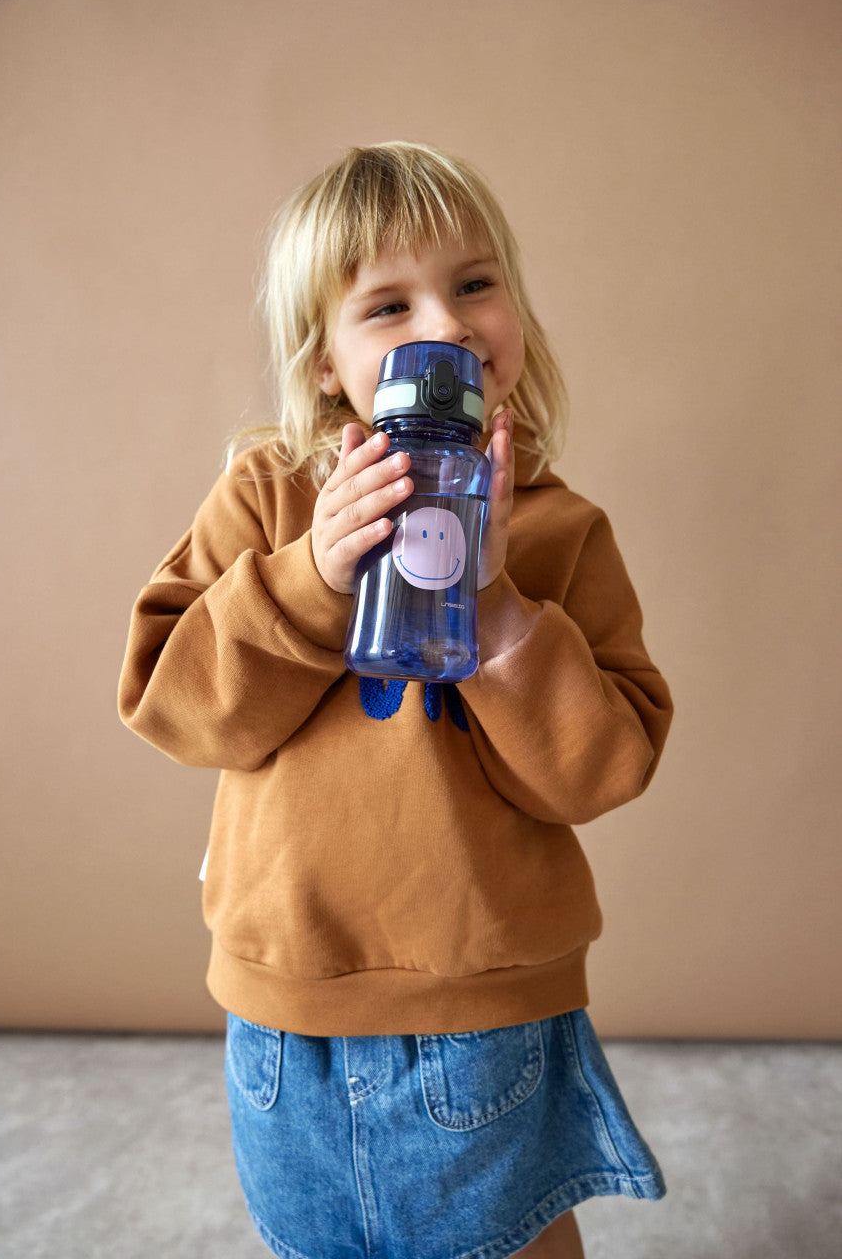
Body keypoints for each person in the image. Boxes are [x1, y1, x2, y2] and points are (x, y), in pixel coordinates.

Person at [118, 142, 674, 1259]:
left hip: (486, 1003)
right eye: (388, 303)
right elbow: (174, 704)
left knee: (511, 1236)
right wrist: (307, 576)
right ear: (324, 361)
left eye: (474, 283)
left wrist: (501, 607)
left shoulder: (561, 532)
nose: (447, 323)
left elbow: (602, 766)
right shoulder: (267, 497)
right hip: (287, 1002)